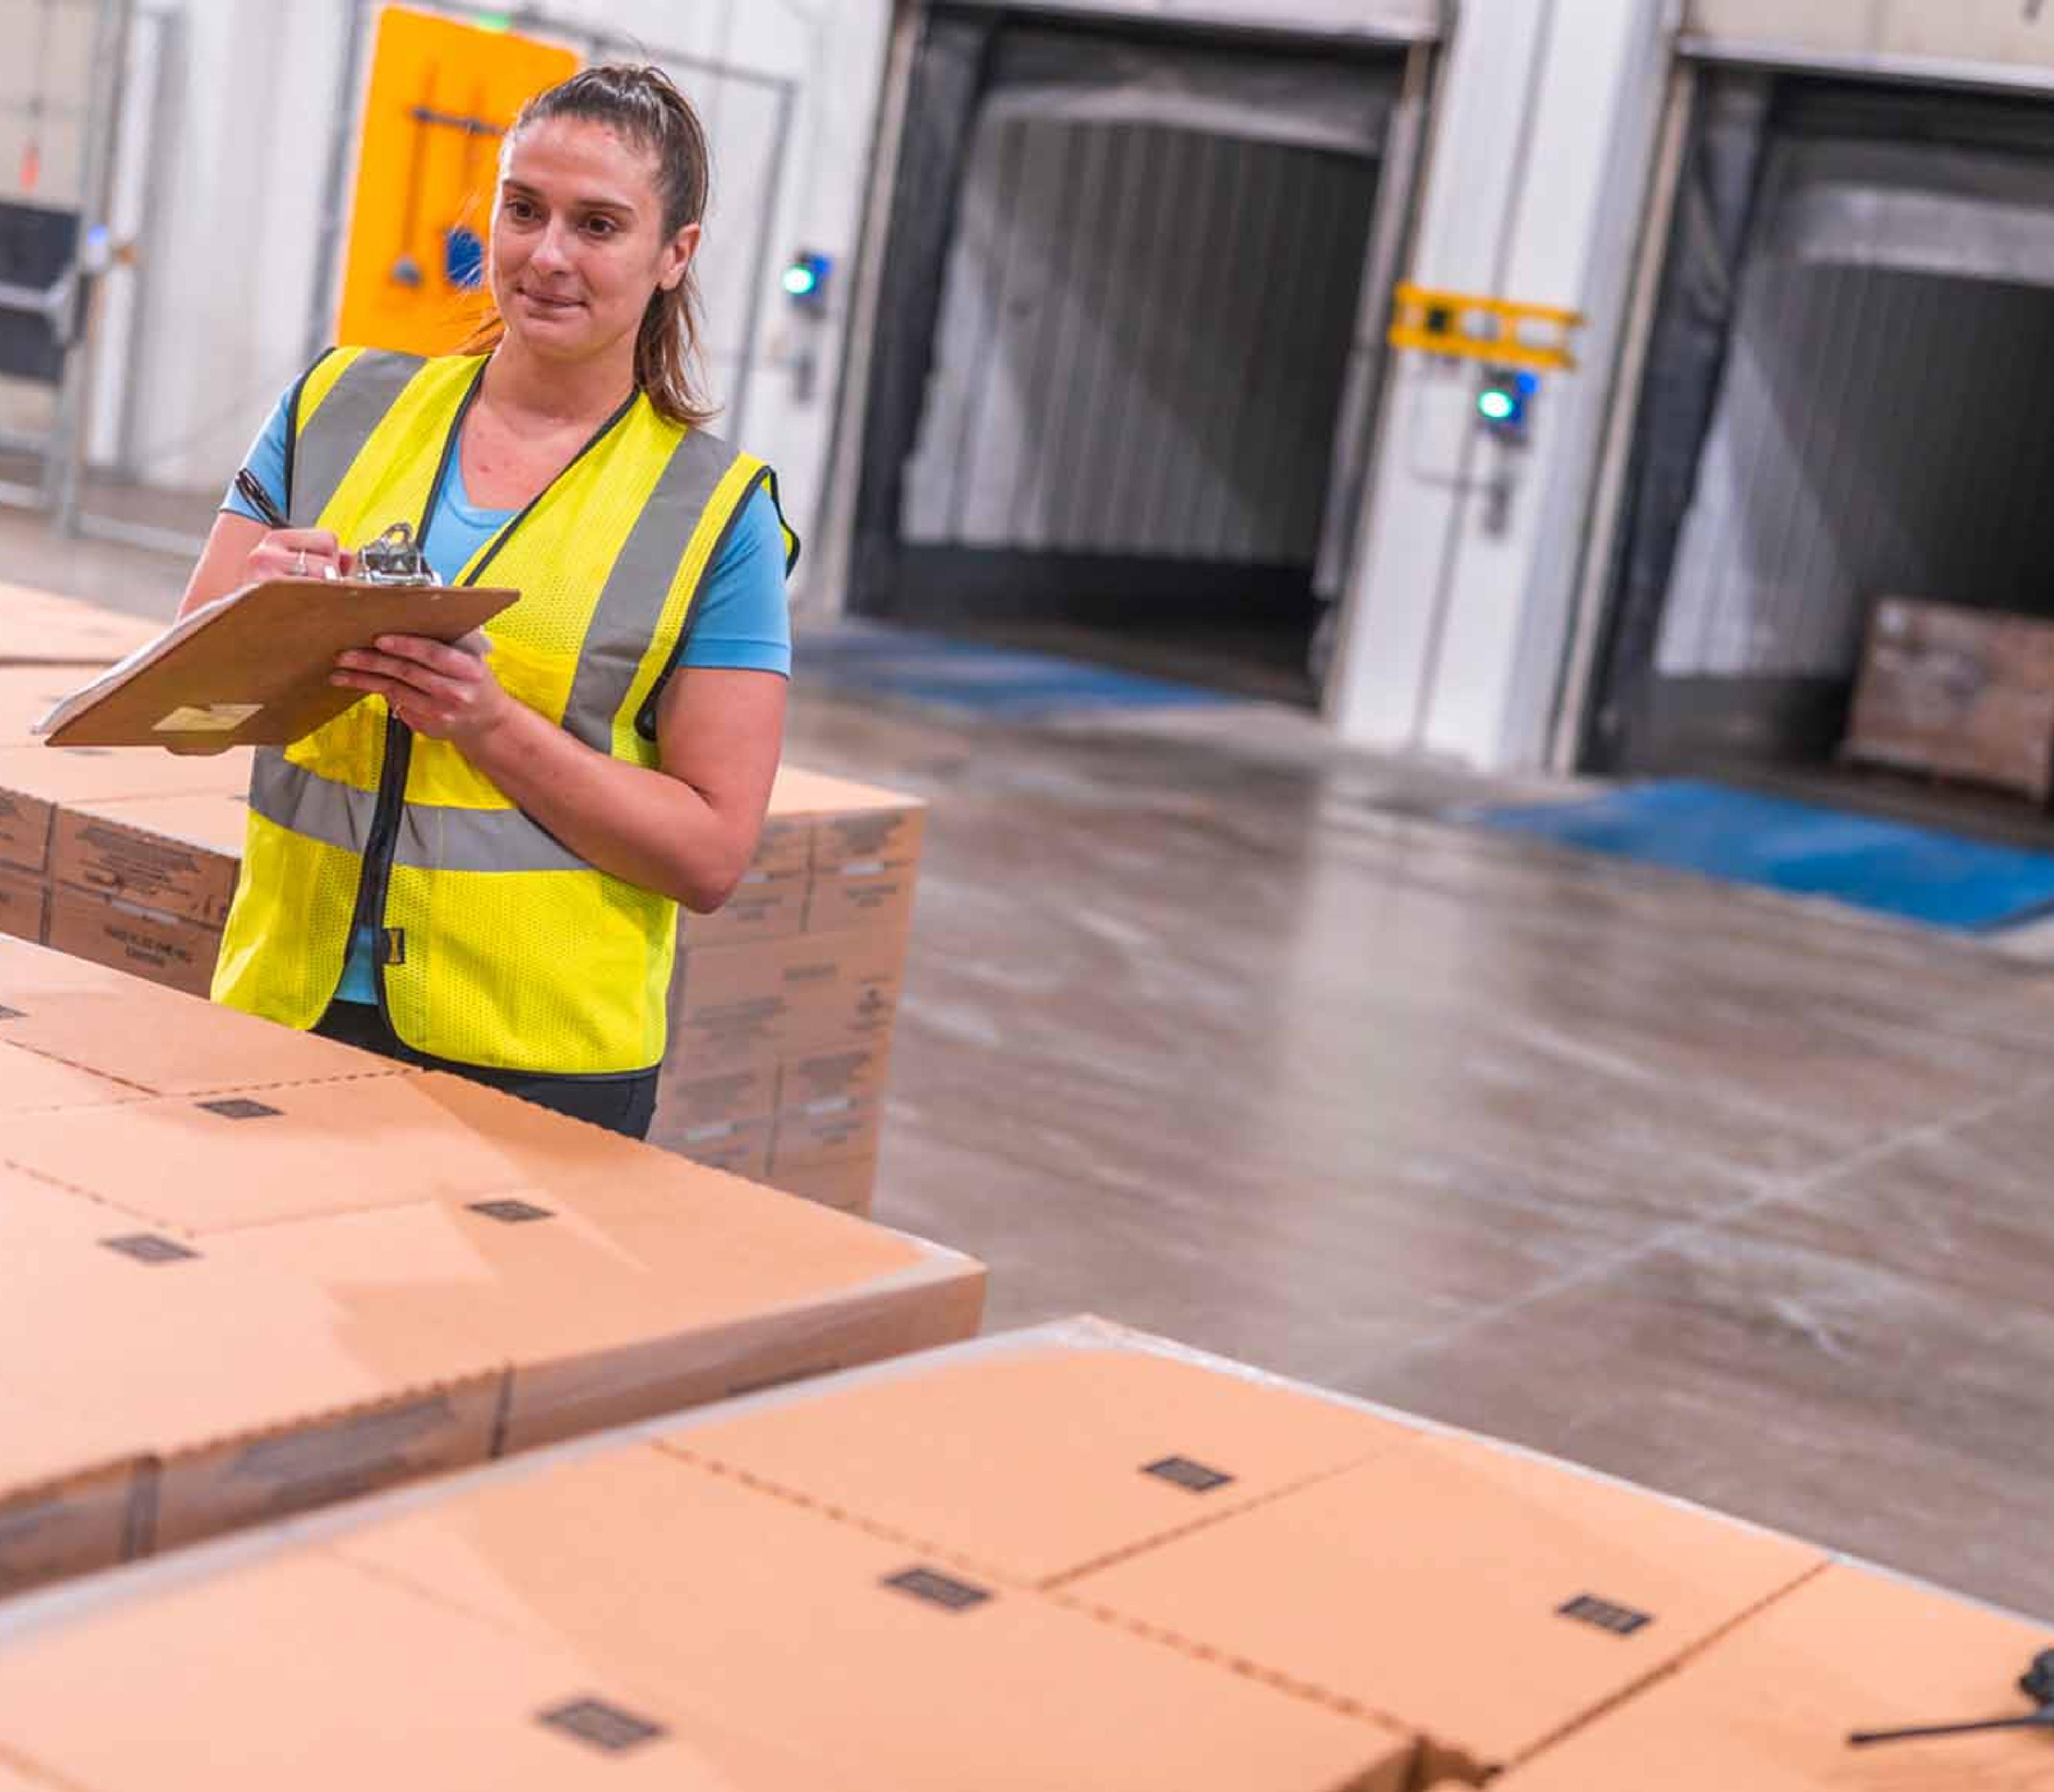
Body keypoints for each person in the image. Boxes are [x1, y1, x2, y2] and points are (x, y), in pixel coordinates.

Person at [175, 64, 794, 1140]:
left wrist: (494, 727)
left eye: (598, 224)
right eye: (524, 210)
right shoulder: (334, 407)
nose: (548, 255)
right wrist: (251, 629)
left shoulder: (715, 513)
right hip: (284, 1005)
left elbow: (709, 857)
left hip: (535, 1061)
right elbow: (184, 715)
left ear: (674, 254)